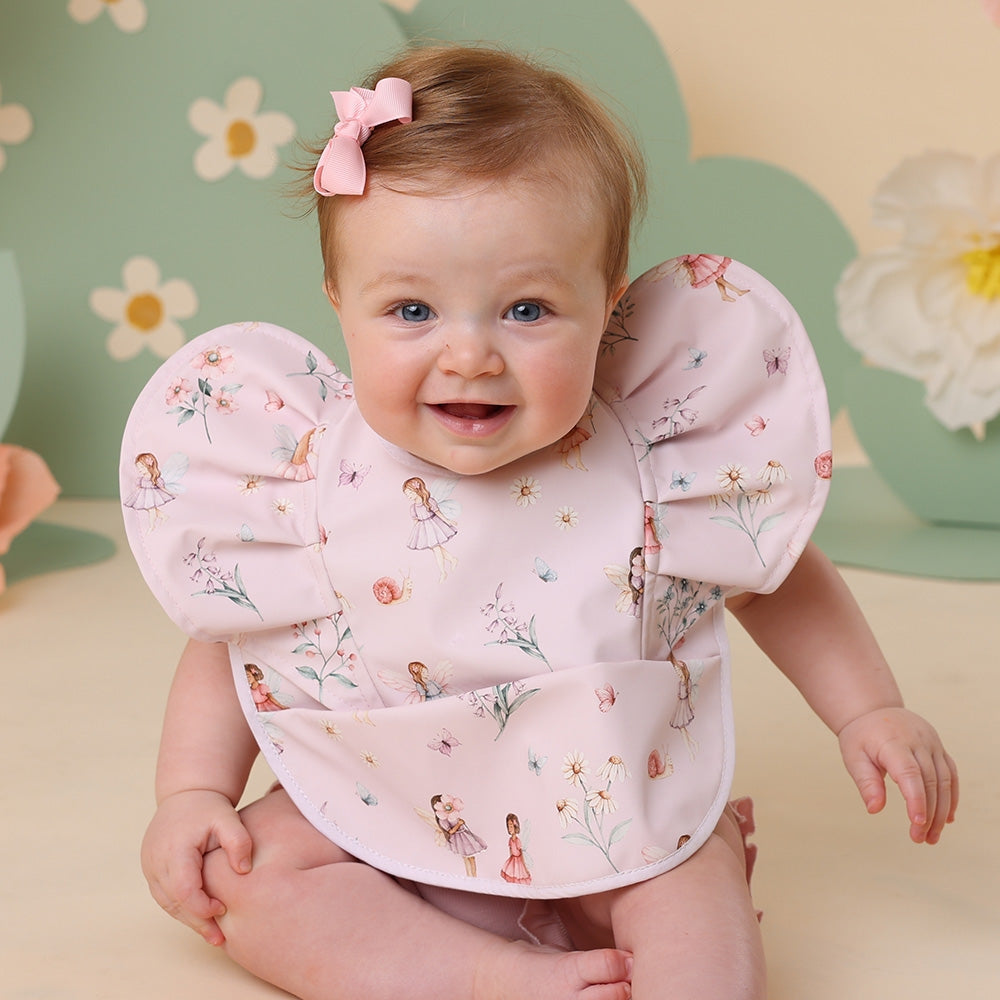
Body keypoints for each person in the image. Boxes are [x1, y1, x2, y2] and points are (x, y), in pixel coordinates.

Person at [122, 44, 958, 1000]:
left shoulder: (652, 462)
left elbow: (778, 574)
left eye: (527, 309)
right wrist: (192, 793)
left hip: (609, 801)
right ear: (340, 309)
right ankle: (472, 975)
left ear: (606, 310)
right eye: (411, 310)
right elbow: (234, 633)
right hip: (380, 801)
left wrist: (868, 708)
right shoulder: (308, 481)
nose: (470, 353)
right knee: (244, 879)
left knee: (691, 898)